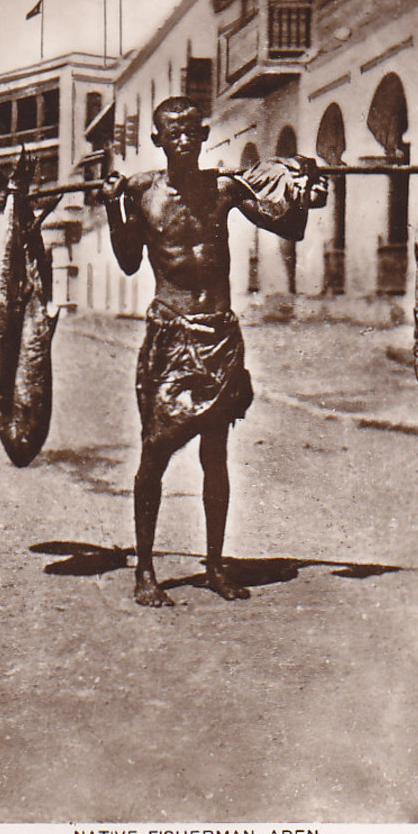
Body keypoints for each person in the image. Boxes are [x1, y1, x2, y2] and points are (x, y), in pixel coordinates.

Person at [102, 96, 326, 607]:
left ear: (202, 137)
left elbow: (286, 226)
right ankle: (145, 572)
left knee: (216, 456)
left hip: (220, 335)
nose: (181, 140)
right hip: (170, 334)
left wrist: (307, 193)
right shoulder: (139, 191)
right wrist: (113, 209)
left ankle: (216, 567)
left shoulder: (224, 188)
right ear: (157, 139)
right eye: (171, 132)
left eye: (189, 131)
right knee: (155, 454)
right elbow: (130, 262)